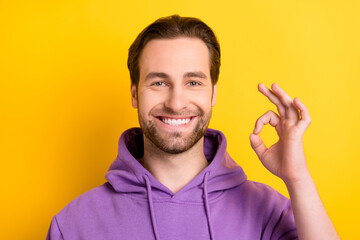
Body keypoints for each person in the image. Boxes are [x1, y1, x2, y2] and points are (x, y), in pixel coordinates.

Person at [46, 15, 339, 240]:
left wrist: (297, 177)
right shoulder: (74, 224)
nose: (176, 103)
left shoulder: (268, 212)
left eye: (193, 83)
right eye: (159, 82)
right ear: (135, 94)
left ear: (213, 94)